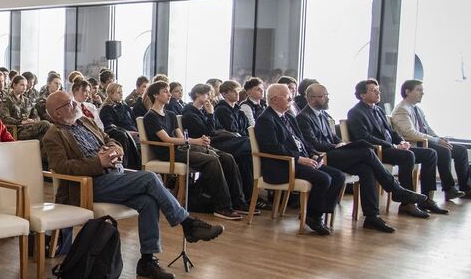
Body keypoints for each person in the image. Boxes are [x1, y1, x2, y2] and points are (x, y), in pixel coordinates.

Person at [43, 91, 223, 279]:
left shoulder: (85, 122)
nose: (75, 104)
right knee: (150, 178)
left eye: (73, 101)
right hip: (89, 184)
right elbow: (61, 167)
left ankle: (147, 261)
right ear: (57, 113)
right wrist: (98, 162)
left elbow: (110, 139)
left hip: (114, 176)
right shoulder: (53, 135)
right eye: (69, 104)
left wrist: (115, 149)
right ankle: (187, 224)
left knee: (148, 201)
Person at [297, 83, 427, 232]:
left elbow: (332, 136)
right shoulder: (303, 117)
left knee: (366, 169)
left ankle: (372, 217)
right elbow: (313, 143)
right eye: (323, 96)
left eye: (327, 95)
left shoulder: (322, 114)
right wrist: (336, 146)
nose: (327, 99)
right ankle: (396, 189)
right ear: (311, 99)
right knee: (367, 151)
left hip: (333, 152)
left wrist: (341, 143)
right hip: (323, 156)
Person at [143, 82, 246, 220]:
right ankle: (223, 207)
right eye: (165, 91)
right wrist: (195, 141)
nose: (169, 94)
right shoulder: (150, 117)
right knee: (211, 160)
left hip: (181, 148)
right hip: (169, 153)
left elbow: (181, 138)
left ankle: (238, 202)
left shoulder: (171, 114)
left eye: (168, 91)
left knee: (227, 157)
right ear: (156, 95)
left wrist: (198, 141)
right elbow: (167, 139)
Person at [254, 84, 346, 235]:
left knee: (339, 176)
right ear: (274, 100)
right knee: (323, 179)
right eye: (287, 96)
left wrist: (313, 154)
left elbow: (302, 141)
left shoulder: (289, 116)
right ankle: (313, 217)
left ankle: (316, 213)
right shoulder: (265, 119)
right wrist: (299, 159)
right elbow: (272, 147)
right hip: (282, 165)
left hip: (300, 161)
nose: (292, 98)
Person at [346, 79, 444, 218]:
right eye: (373, 90)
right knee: (407, 156)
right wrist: (392, 146)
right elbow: (363, 137)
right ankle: (407, 203)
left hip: (391, 148)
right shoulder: (355, 112)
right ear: (362, 95)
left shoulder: (379, 110)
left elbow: (391, 132)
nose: (378, 93)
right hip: (376, 151)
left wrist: (402, 142)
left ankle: (426, 199)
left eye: (378, 90)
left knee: (430, 154)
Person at [391, 79, 471, 201]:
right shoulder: (402, 109)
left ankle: (466, 188)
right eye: (418, 90)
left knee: (461, 150)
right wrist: (436, 141)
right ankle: (449, 189)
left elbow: (427, 129)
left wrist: (438, 138)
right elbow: (409, 133)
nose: (422, 93)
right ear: (407, 92)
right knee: (443, 151)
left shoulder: (417, 109)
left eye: (422, 90)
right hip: (415, 144)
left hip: (425, 141)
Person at [181, 82, 254, 202]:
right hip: (205, 144)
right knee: (248, 145)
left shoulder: (203, 111)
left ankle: (242, 198)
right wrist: (211, 114)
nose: (210, 97)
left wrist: (211, 115)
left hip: (215, 141)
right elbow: (208, 132)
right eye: (207, 94)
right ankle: (241, 198)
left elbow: (218, 127)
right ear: (198, 94)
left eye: (211, 94)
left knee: (245, 156)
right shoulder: (189, 113)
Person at [0, 75, 52, 141]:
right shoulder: (7, 100)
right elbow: (5, 118)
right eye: (22, 85)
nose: (24, 88)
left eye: (25, 85)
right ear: (14, 85)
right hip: (16, 130)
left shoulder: (27, 100)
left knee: (43, 138)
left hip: (29, 127)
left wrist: (33, 120)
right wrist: (21, 122)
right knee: (45, 124)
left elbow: (36, 115)